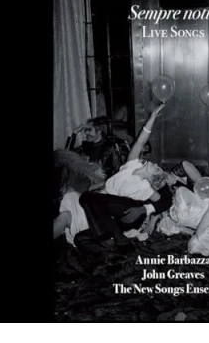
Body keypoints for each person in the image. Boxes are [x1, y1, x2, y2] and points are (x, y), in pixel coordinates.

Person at [74, 104, 174, 261]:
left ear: (152, 177)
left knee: (87, 197)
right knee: (80, 238)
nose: (155, 164)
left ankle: (117, 239)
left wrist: (145, 209)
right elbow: (141, 140)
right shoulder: (132, 164)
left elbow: (166, 202)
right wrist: (152, 117)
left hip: (128, 213)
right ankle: (113, 251)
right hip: (110, 213)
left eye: (156, 168)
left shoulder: (146, 187)